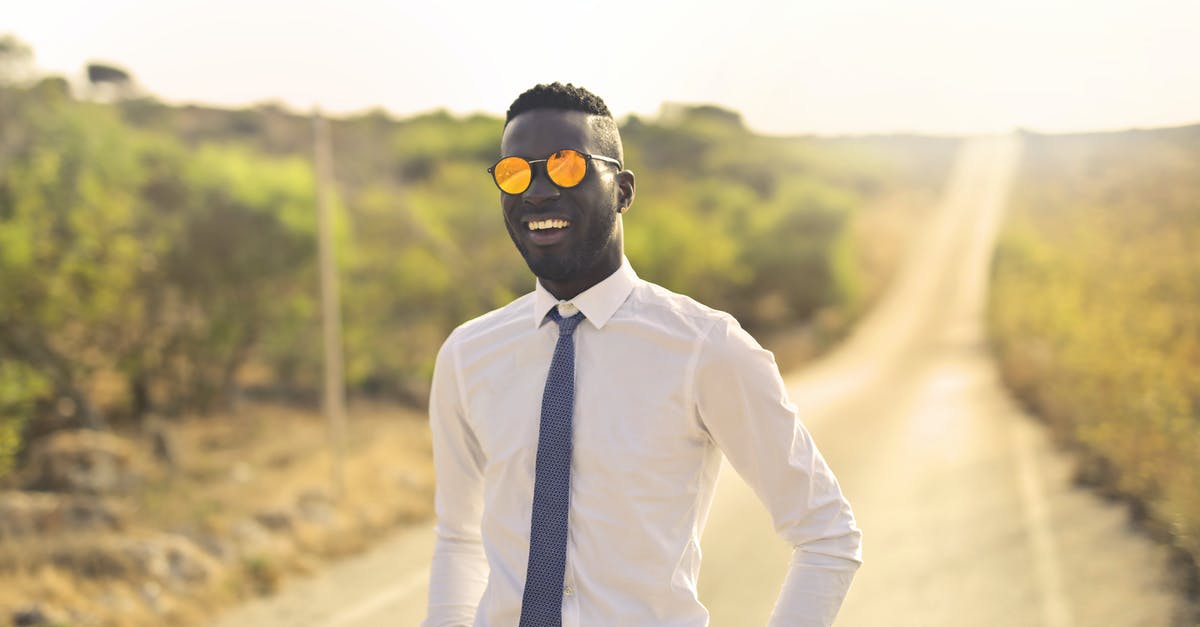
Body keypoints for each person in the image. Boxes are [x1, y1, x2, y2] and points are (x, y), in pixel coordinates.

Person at [424, 82, 861, 627]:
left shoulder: (705, 348)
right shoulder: (468, 354)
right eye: (515, 173)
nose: (537, 192)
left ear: (623, 190)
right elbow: (459, 538)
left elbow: (826, 535)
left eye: (566, 166)